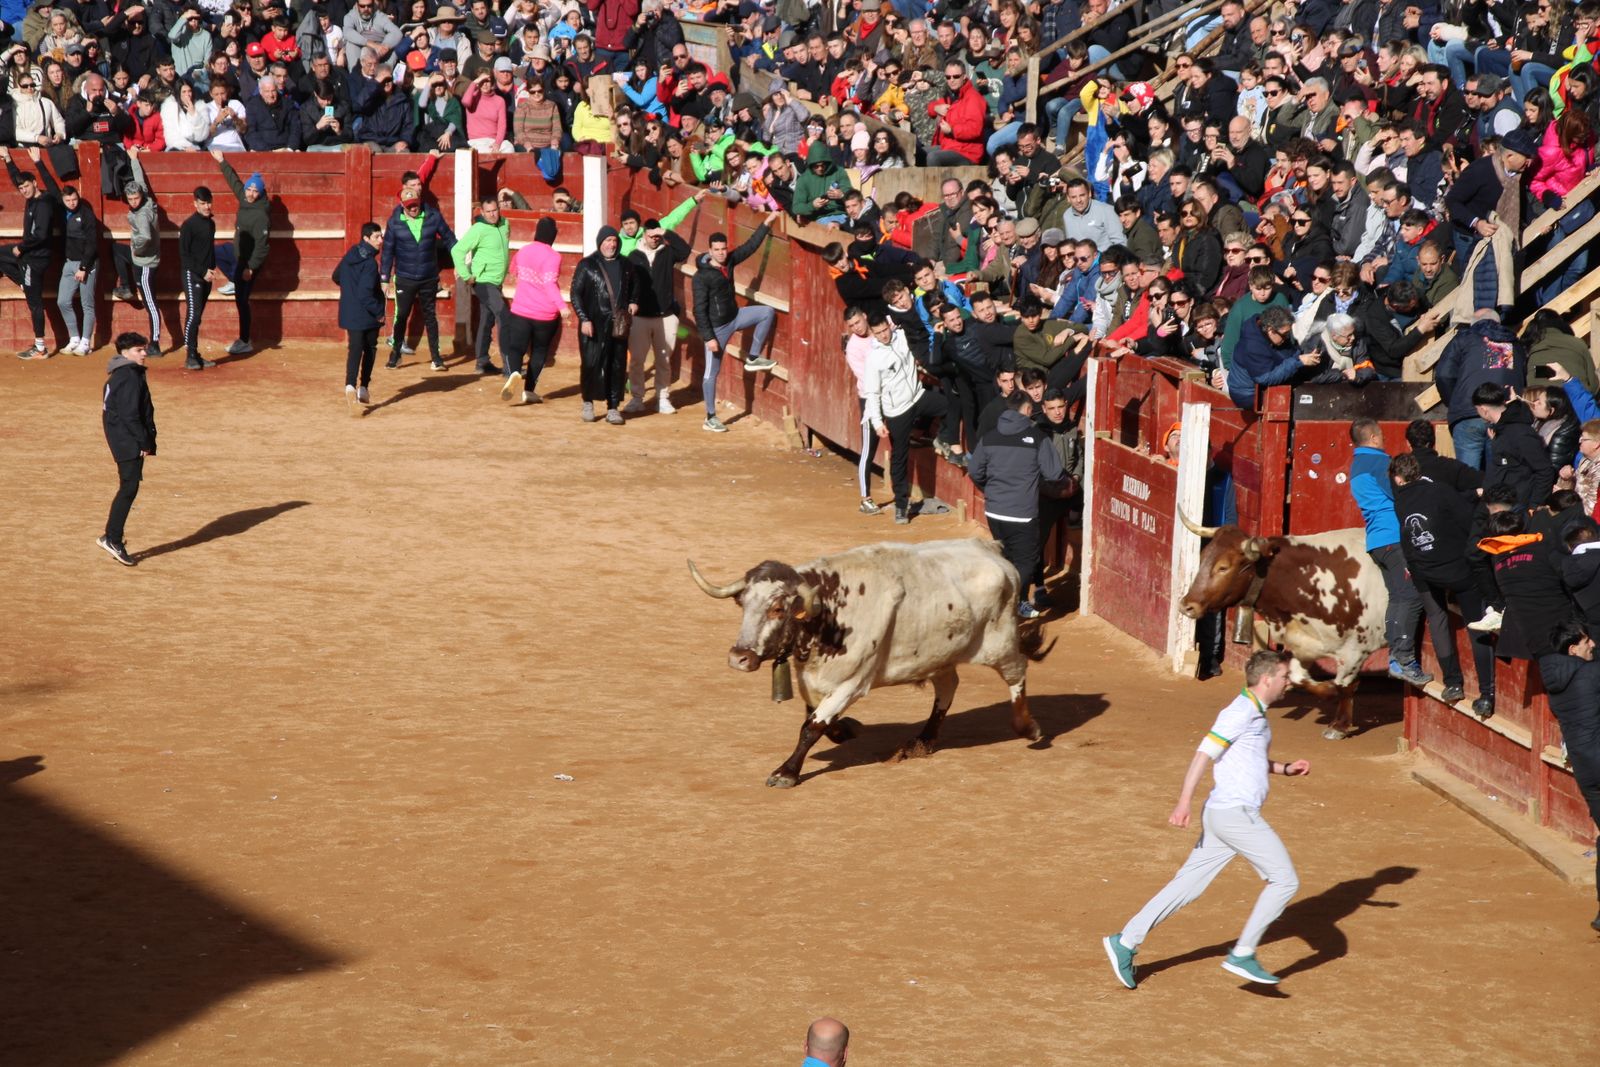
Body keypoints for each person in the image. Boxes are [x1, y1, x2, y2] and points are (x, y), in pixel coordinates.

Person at [1103, 650, 1310, 990]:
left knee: (1186, 886)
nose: (1289, 683)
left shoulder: (1255, 714)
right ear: (1267, 679)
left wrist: (1285, 769)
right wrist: (1183, 801)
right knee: (1285, 880)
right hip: (1235, 816)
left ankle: (1125, 941)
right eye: (1285, 676)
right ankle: (1243, 953)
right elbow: (1204, 754)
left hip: (1223, 818)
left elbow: (1249, 759)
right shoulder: (1240, 711)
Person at [1390, 451, 1496, 711]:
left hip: (1424, 572)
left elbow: (1407, 538)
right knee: (1477, 625)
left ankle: (1453, 683)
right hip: (1459, 569)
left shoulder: (1400, 501)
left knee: (1437, 620)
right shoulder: (1440, 490)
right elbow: (1466, 518)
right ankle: (1486, 694)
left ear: (1398, 479)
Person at [968, 390, 1065, 619]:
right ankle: (1012, 604)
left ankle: (1011, 601)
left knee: (1007, 556)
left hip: (994, 511)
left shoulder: (990, 437)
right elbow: (1054, 472)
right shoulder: (1038, 437)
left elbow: (974, 470)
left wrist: (989, 489)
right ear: (1029, 410)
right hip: (1022, 513)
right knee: (1026, 562)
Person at [1349, 419, 1431, 688]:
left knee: (1397, 596)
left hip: (1377, 541)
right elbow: (1402, 493)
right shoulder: (1379, 464)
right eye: (1381, 436)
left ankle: (1397, 657)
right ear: (1373, 438)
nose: (1383, 440)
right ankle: (1403, 659)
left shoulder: (1356, 466)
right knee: (1411, 595)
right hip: (1395, 538)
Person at [1537, 620, 1600, 928]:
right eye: (1587, 641)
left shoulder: (1554, 682)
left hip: (1586, 770)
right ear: (1573, 648)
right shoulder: (1590, 674)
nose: (1594, 645)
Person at [691, 219, 778, 434]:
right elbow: (698, 310)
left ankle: (753, 357)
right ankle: (710, 417)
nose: (721, 253)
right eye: (717, 250)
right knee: (712, 373)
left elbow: (750, 246)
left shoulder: (729, 261)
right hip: (717, 328)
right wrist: (708, 337)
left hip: (735, 316)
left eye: (724, 249)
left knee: (767, 312)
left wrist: (766, 224)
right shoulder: (701, 277)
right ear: (709, 251)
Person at [863, 311, 947, 525]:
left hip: (917, 396)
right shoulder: (874, 359)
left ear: (889, 326)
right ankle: (901, 506)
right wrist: (877, 422)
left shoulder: (901, 336)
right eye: (878, 333)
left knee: (949, 405)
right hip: (896, 411)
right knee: (900, 457)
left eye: (885, 330)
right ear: (872, 334)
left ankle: (942, 437)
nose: (884, 335)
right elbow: (872, 393)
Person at [381, 188, 456, 372]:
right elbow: (387, 252)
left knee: (430, 316)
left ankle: (436, 359)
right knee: (402, 316)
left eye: (415, 205)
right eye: (409, 206)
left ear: (420, 201)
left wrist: (461, 263)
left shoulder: (433, 216)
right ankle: (396, 355)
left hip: (428, 277)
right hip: (405, 278)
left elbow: (449, 238)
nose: (413, 209)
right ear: (402, 205)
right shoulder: (394, 222)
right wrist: (384, 278)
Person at [98, 331, 156, 568]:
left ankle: (110, 537)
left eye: (144, 349)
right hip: (127, 441)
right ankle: (112, 538)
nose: (144, 354)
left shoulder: (120, 374)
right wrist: (143, 442)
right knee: (128, 487)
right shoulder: (130, 376)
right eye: (138, 350)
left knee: (129, 486)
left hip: (121, 438)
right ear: (125, 353)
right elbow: (131, 415)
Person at [569, 225, 637, 425]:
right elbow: (575, 294)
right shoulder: (587, 264)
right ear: (600, 243)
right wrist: (584, 318)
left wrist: (633, 301)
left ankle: (613, 407)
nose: (612, 244)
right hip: (594, 324)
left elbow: (635, 287)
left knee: (616, 365)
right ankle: (588, 402)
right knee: (591, 363)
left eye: (614, 241)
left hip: (618, 324)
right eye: (608, 241)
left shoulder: (626, 265)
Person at [625, 213, 692, 414]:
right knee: (637, 360)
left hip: (665, 316)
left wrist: (666, 232)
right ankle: (637, 398)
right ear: (644, 235)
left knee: (663, 360)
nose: (655, 239)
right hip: (640, 317)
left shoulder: (668, 252)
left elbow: (685, 250)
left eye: (657, 236)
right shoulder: (633, 257)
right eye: (651, 235)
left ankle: (662, 398)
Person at [0, 147, 61, 360]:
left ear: (35, 183)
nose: (23, 190)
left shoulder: (44, 204)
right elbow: (17, 179)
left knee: (34, 302)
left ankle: (40, 347)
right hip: (30, 256)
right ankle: (25, 283)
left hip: (35, 258)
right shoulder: (32, 199)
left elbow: (42, 235)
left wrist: (21, 248)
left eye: (26, 186)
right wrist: (8, 159)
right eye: (21, 188)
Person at [500, 216, 566, 405]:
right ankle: (529, 391)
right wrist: (561, 306)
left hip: (521, 309)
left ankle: (513, 372)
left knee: (516, 348)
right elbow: (549, 283)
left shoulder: (524, 250)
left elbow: (513, 271)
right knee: (539, 351)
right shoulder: (554, 256)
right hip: (545, 314)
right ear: (553, 236)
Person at [211, 151, 270, 358]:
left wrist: (250, 268)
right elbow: (234, 182)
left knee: (241, 302)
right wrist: (221, 161)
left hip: (248, 261)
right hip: (238, 254)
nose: (251, 193)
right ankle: (234, 280)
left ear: (261, 193)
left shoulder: (261, 216)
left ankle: (245, 340)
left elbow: (262, 247)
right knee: (216, 250)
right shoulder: (244, 198)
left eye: (255, 191)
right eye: (250, 189)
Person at [451, 194, 510, 376]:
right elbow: (457, 250)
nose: (492, 215)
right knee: (503, 315)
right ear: (482, 213)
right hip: (483, 281)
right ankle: (510, 365)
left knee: (487, 319)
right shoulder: (478, 229)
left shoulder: (505, 224)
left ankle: (482, 361)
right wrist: (466, 274)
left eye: (495, 211)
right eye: (488, 212)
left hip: (496, 281)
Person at [111, 149, 162, 351]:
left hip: (146, 262)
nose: (134, 202)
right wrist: (133, 160)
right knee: (116, 249)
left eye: (135, 199)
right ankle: (127, 286)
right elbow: (140, 182)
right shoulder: (145, 198)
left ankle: (156, 343)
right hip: (141, 258)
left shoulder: (142, 215)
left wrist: (136, 248)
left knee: (150, 302)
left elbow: (146, 237)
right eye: (131, 199)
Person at [334, 222, 386, 414]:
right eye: (376, 237)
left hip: (350, 311)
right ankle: (363, 387)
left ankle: (350, 385)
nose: (381, 240)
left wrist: (350, 287)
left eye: (381, 236)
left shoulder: (350, 255)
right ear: (366, 239)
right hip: (368, 314)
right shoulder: (371, 263)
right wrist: (379, 312)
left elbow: (336, 276)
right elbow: (365, 294)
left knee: (355, 348)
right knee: (370, 348)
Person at [56, 177, 99, 357]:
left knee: (87, 304)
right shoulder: (62, 213)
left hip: (86, 264)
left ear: (78, 197)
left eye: (74, 199)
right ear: (63, 201)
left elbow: (92, 243)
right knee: (62, 301)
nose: (72, 203)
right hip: (69, 262)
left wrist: (84, 267)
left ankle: (86, 342)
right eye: (68, 200)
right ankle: (74, 338)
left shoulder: (87, 214)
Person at [179, 185, 220, 371]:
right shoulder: (188, 225)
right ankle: (190, 355)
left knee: (196, 316)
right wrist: (203, 271)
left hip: (206, 275)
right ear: (195, 204)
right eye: (203, 203)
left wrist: (211, 270)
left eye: (209, 202)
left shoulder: (211, 224)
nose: (207, 206)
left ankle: (194, 354)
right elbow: (184, 256)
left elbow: (208, 251)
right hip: (192, 274)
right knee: (194, 315)